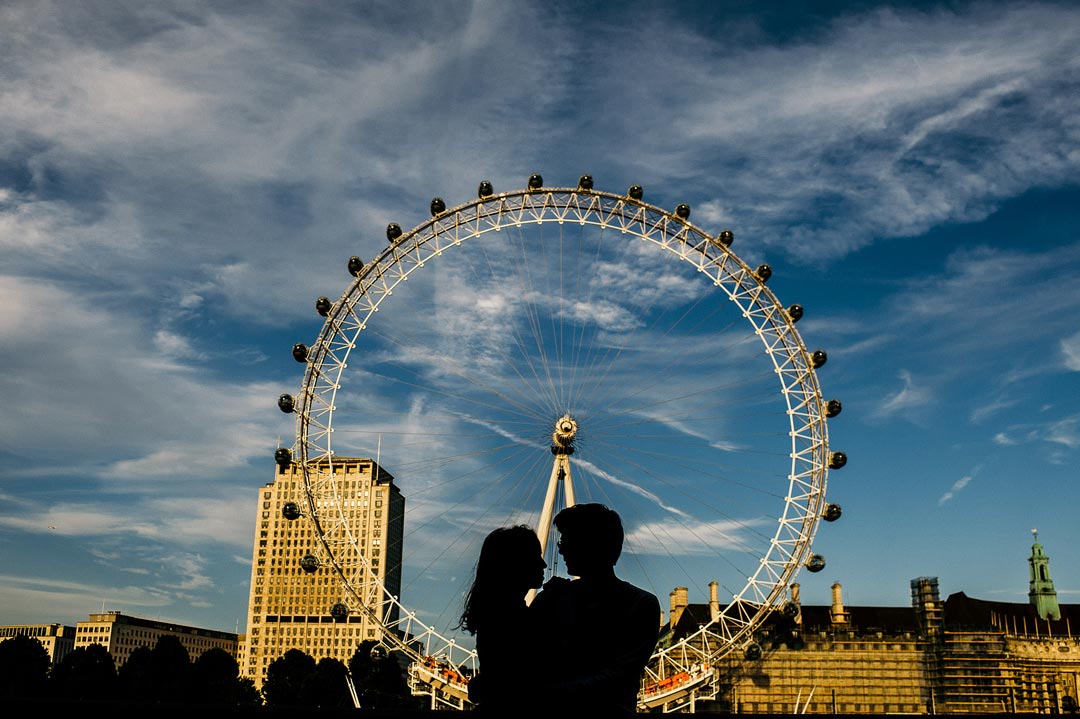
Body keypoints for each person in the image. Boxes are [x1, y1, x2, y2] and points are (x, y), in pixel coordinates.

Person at [531, 503, 662, 716]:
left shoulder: (551, 600)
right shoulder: (643, 603)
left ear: (592, 544)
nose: (561, 549)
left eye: (567, 540)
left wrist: (543, 693)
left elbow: (619, 676)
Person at [457, 524, 548, 714]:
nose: (544, 564)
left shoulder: (493, 614)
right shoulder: (511, 618)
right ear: (514, 563)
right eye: (535, 557)